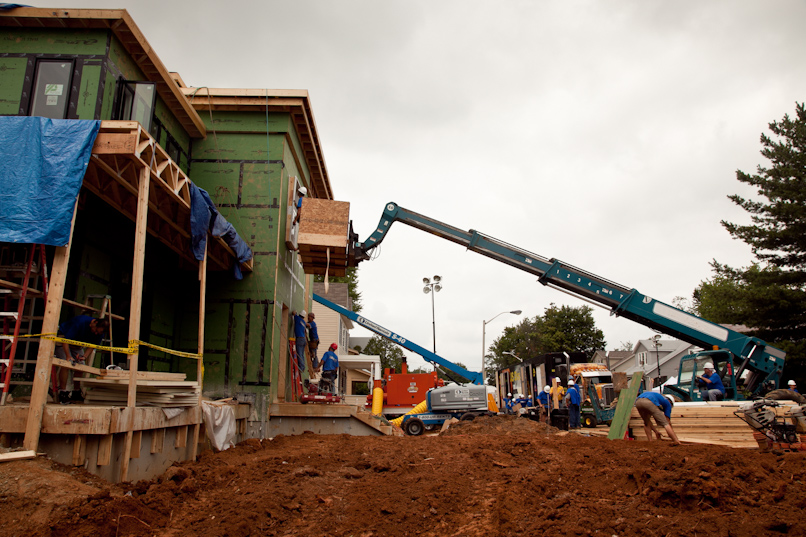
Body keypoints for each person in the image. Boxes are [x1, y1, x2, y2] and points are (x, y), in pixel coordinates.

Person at [56, 315, 109, 404]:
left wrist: (84, 356)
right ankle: (63, 392)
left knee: (81, 366)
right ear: (94, 323)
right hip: (63, 340)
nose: (96, 333)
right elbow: (65, 340)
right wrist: (68, 356)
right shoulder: (79, 322)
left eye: (98, 333)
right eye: (96, 331)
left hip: (77, 344)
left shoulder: (100, 331)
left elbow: (93, 345)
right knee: (66, 364)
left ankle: (76, 392)